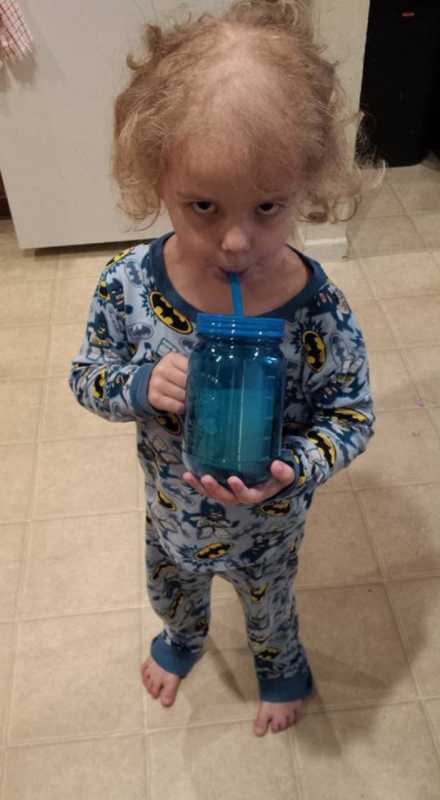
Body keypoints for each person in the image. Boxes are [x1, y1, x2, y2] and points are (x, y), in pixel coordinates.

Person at [69, 0, 376, 736]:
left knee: (271, 602)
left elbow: (353, 414)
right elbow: (88, 375)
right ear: (157, 178)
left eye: (268, 207)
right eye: (203, 205)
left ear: (306, 184)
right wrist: (140, 386)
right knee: (171, 583)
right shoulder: (128, 286)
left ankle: (279, 665)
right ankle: (183, 639)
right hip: (171, 508)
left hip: (270, 520)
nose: (236, 241)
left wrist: (298, 463)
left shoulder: (317, 309)